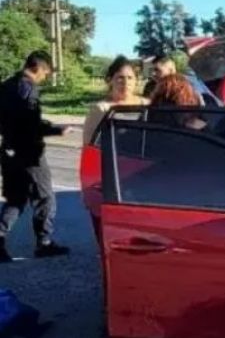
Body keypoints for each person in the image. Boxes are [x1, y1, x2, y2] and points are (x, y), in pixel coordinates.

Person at [0, 52, 69, 261]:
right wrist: (56, 130)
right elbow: (30, 124)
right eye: (46, 73)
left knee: (16, 199)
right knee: (45, 197)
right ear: (39, 68)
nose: (45, 77)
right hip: (29, 153)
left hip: (8, 149)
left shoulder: (6, 85)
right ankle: (44, 243)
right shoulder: (28, 89)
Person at [82, 56, 149, 145]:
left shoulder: (147, 105)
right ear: (110, 80)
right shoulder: (101, 109)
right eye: (120, 77)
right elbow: (88, 145)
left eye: (130, 78)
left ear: (136, 81)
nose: (126, 82)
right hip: (111, 158)